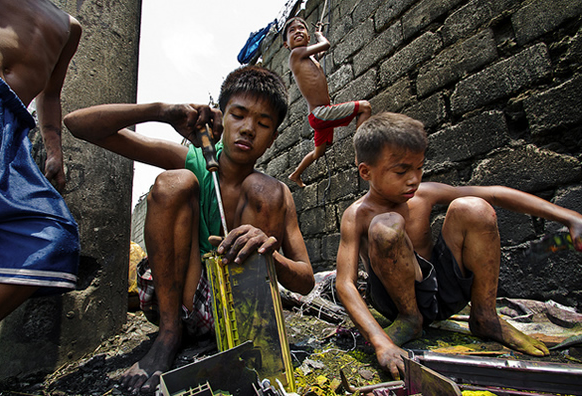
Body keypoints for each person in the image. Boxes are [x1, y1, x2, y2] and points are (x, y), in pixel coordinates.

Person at [64, 65, 315, 393]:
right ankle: (169, 336)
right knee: (174, 182)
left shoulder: (278, 195)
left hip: (243, 311)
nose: (249, 129)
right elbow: (77, 125)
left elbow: (306, 279)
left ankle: (252, 339)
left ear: (273, 138)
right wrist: (161, 111)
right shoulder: (194, 159)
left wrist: (270, 254)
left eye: (263, 123)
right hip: (180, 298)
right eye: (238, 115)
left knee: (264, 187)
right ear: (221, 119)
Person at [335, 112, 582, 380]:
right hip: (395, 304)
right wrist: (379, 340)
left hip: (444, 294)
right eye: (401, 170)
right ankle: (410, 320)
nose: (413, 179)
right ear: (365, 171)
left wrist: (570, 217)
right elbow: (344, 283)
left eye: (419, 168)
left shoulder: (424, 195)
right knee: (386, 225)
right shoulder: (356, 214)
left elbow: (495, 193)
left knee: (473, 207)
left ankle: (485, 317)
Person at [0, 0, 82, 334]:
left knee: (53, 237)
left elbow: (50, 95)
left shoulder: (69, 28)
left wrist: (55, 150)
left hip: (9, 128)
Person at [283, 16, 372, 188]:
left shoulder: (309, 58)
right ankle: (360, 153)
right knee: (365, 107)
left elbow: (320, 52)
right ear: (286, 44)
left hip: (318, 116)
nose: (298, 31)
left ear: (307, 38)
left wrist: (317, 35)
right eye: (292, 31)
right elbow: (325, 45)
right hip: (320, 113)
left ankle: (295, 174)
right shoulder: (296, 54)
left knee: (318, 152)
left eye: (301, 28)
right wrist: (319, 35)